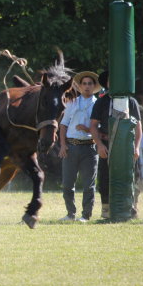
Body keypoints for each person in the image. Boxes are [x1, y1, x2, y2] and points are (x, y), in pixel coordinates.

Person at [89, 71, 143, 219]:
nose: (113, 84)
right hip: (106, 144)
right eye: (110, 81)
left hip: (128, 145)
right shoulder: (101, 101)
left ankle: (132, 207)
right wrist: (99, 145)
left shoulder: (131, 101)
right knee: (105, 177)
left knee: (133, 176)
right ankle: (106, 209)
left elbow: (138, 127)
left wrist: (136, 148)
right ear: (106, 83)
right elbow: (93, 126)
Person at [58, 71, 101, 222]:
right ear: (80, 86)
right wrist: (63, 145)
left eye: (90, 83)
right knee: (67, 183)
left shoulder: (98, 104)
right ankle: (70, 214)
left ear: (94, 86)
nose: (87, 86)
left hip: (89, 147)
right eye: (84, 83)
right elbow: (63, 125)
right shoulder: (72, 102)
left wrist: (88, 129)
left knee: (89, 184)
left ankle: (86, 215)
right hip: (71, 146)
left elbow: (101, 130)